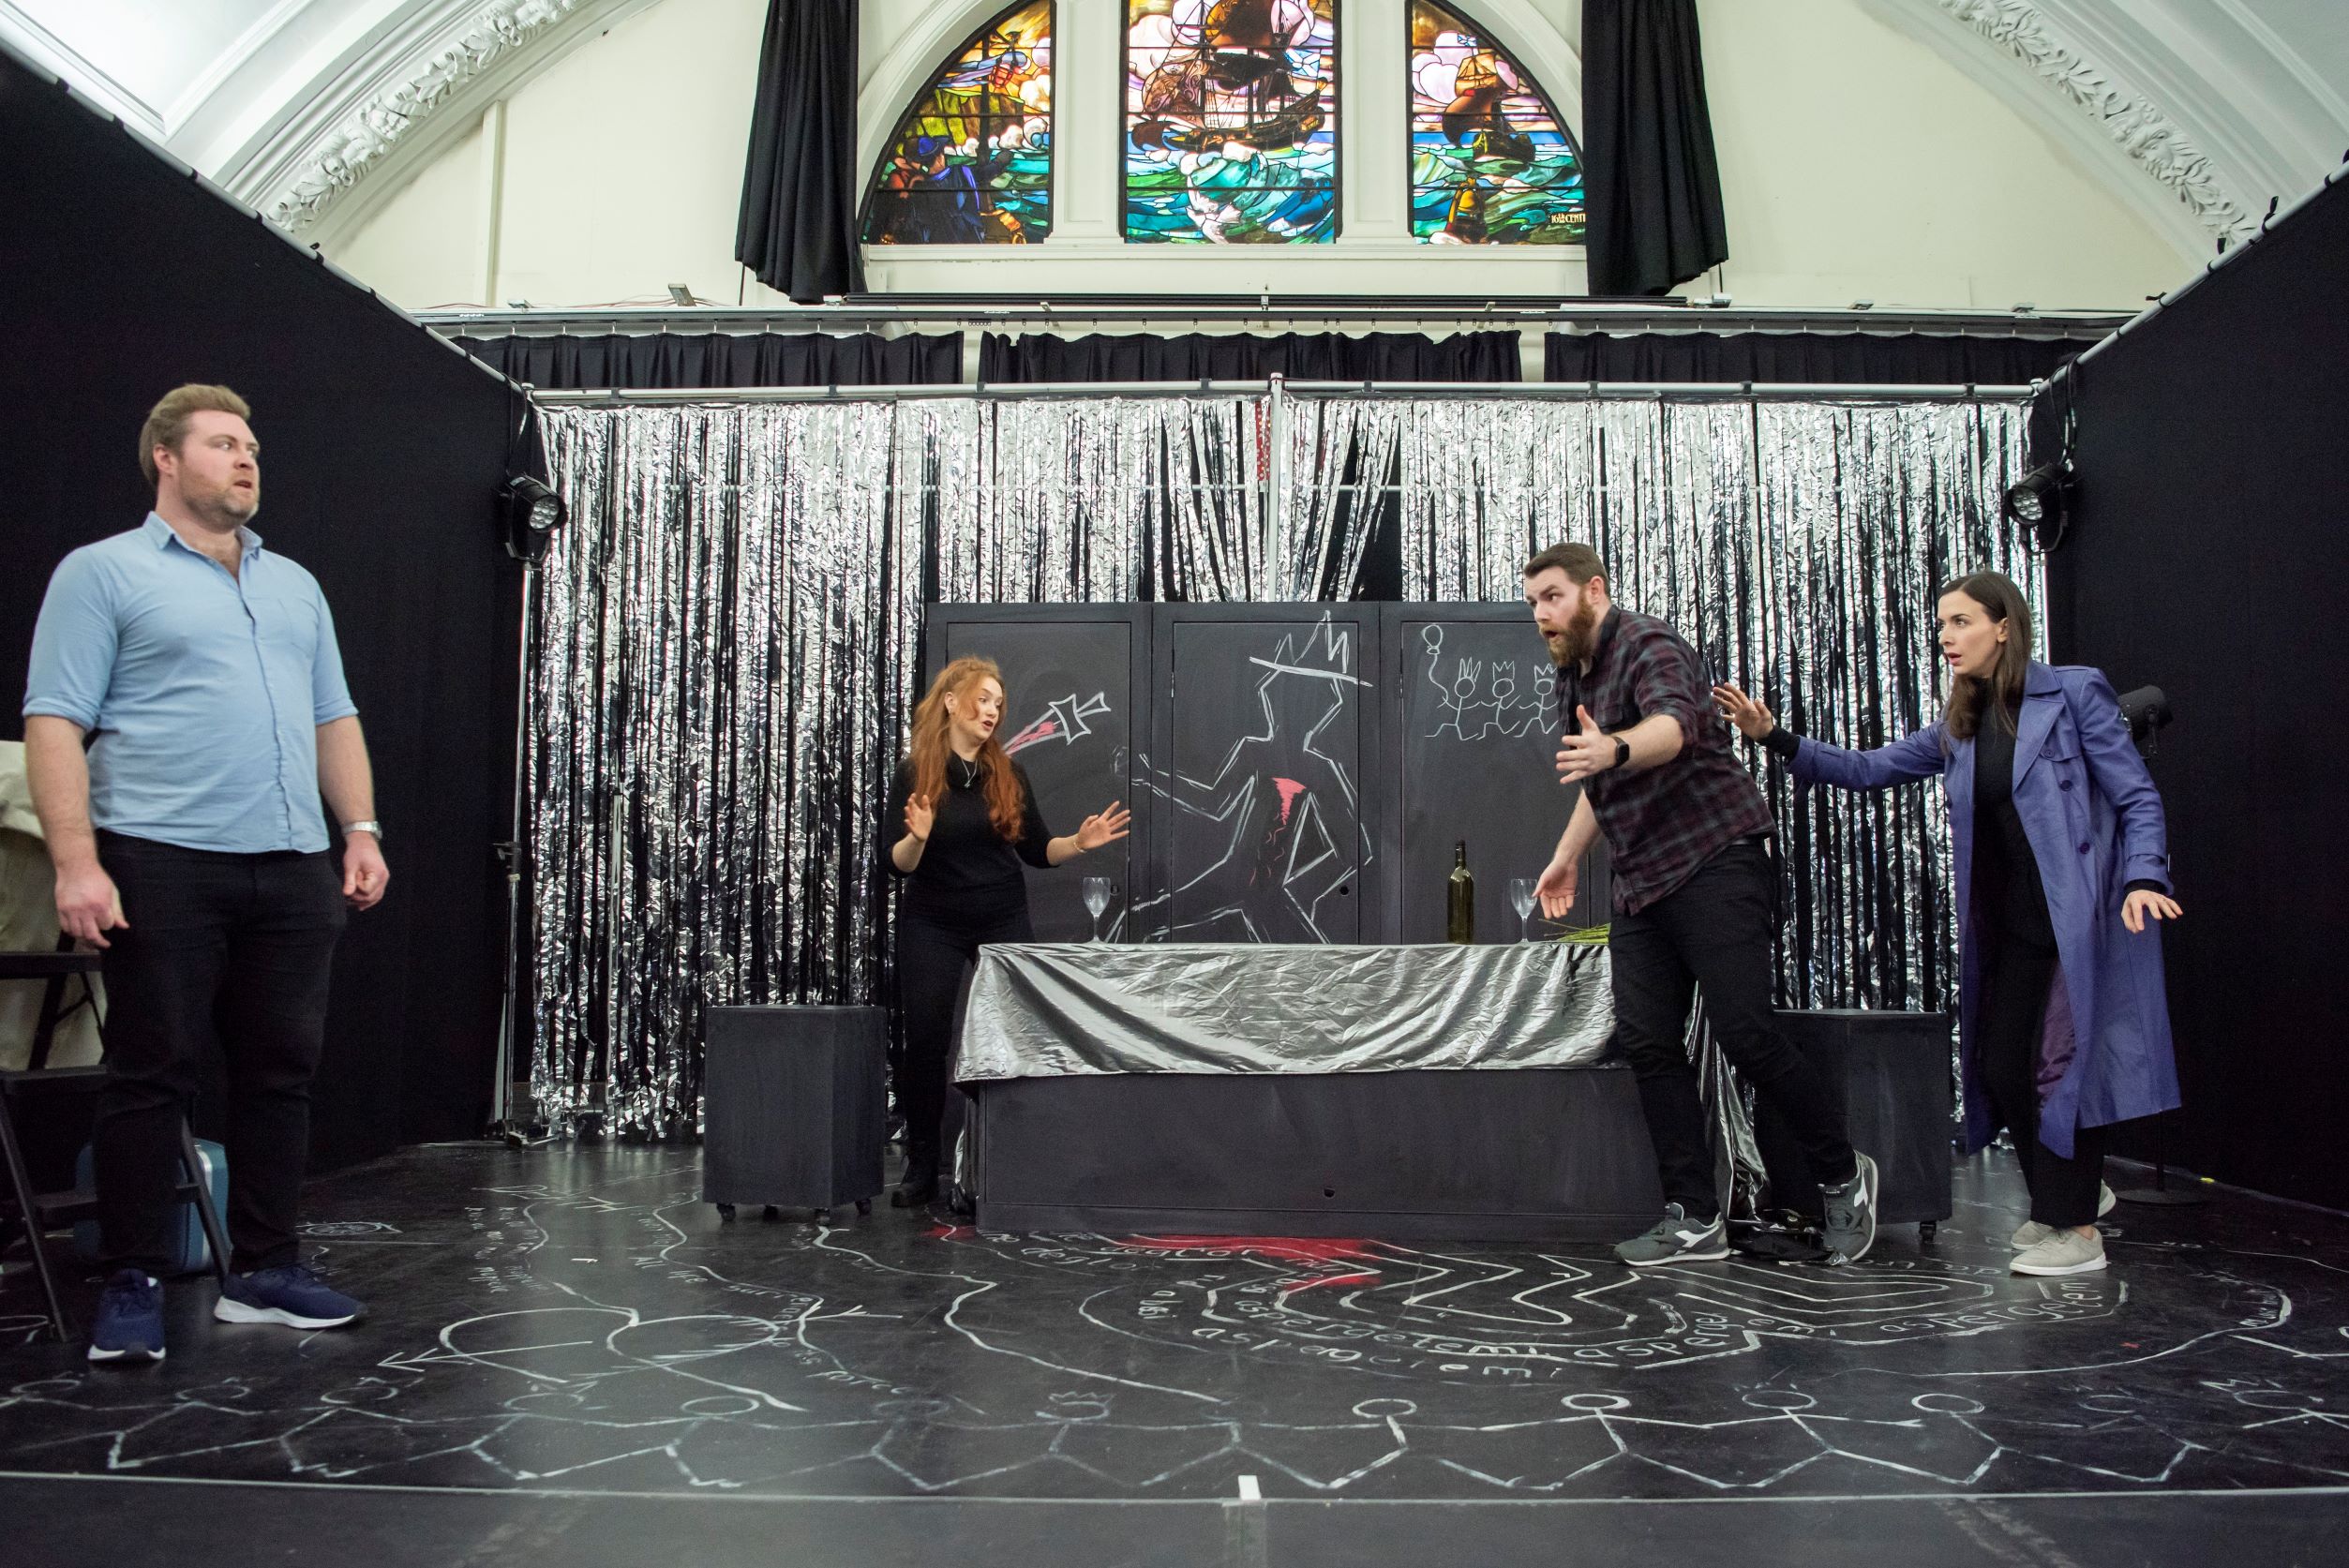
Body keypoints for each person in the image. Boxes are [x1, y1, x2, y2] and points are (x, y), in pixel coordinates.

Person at [22, 384, 389, 1362]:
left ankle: (265, 1267)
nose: (246, 459)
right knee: (154, 1071)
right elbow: (55, 717)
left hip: (290, 861)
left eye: (253, 446)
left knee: (281, 1072)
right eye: (223, 443)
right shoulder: (103, 573)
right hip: (161, 855)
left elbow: (332, 715)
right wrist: (77, 863)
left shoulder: (294, 585)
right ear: (166, 459)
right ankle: (135, 1277)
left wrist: (358, 827)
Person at [1714, 571, 2181, 1277]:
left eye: (1961, 621)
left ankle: (2078, 1226)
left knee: (2063, 1066)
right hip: (2018, 925)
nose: (1946, 637)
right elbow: (1867, 768)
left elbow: (2137, 797)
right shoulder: (1960, 725)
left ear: (2004, 626)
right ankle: (2064, 1201)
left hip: (2078, 919)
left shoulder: (2075, 693)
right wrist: (1775, 736)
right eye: (1941, 625)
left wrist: (2145, 875)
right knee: (2000, 1065)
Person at [1523, 543, 1879, 1267]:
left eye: (1553, 597)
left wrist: (1614, 750)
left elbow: (1672, 728)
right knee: (1649, 1042)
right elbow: (1602, 779)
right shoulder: (1577, 677)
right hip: (1642, 881)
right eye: (1533, 602)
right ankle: (1693, 1214)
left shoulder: (1650, 641)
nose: (1542, 615)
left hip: (1716, 859)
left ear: (1595, 589)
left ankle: (1844, 1175)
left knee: (1746, 1032)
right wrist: (1566, 857)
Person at [885, 657, 1128, 1208]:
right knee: (925, 1041)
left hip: (1001, 918)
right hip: (932, 921)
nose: (993, 709)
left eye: (999, 702)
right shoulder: (914, 773)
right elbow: (896, 864)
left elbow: (1038, 851)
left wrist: (1079, 843)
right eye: (984, 698)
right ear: (951, 701)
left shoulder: (1008, 773)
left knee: (1021, 1033)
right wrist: (918, 837)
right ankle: (924, 1163)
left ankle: (1023, 1154)